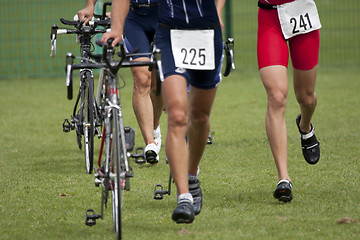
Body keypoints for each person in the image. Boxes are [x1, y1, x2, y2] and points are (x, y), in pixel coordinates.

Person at [102, 0, 226, 223]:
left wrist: (217, 11)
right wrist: (118, 28)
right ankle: (184, 196)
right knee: (178, 116)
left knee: (199, 118)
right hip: (169, 34)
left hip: (207, 33)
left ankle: (192, 175)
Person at [77, 0, 163, 164]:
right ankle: (150, 143)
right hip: (135, 18)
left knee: (158, 83)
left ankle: (154, 126)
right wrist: (90, 6)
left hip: (165, 17)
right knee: (142, 77)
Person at [257, 0, 321, 202]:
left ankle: (305, 125)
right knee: (276, 96)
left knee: (306, 97)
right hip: (270, 18)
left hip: (301, 11)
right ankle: (283, 178)